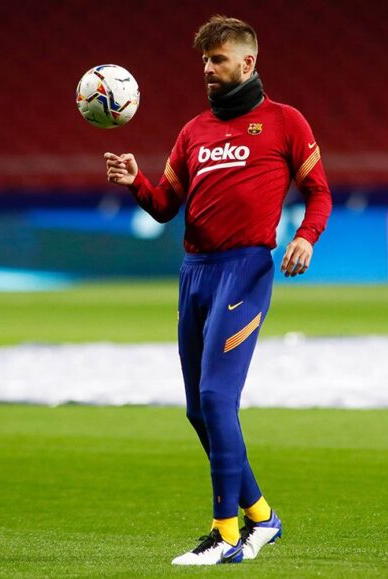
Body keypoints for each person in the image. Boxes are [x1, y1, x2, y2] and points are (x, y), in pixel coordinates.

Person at [104, 15, 332, 566]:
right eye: (205, 60)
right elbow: (164, 207)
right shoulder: (193, 132)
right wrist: (136, 180)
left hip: (246, 270)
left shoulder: (285, 122)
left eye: (219, 59)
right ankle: (262, 518)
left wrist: (305, 237)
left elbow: (320, 192)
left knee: (215, 398)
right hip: (195, 273)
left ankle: (225, 534)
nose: (208, 69)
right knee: (196, 410)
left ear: (247, 63)